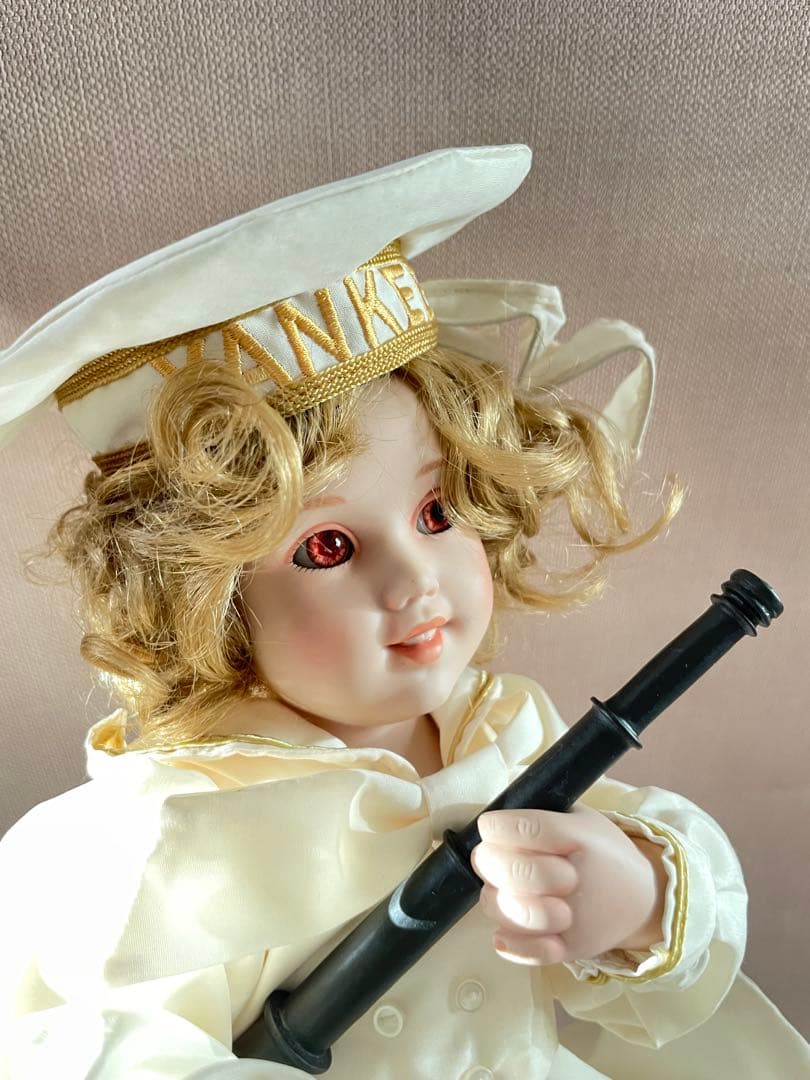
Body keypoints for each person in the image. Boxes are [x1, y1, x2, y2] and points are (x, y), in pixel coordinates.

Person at [0, 144, 805, 1079]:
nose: (416, 581)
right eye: (327, 548)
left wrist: (635, 898)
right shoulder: (176, 831)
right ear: (205, 603)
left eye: (437, 512)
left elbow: (665, 895)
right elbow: (106, 1047)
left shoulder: (497, 731)